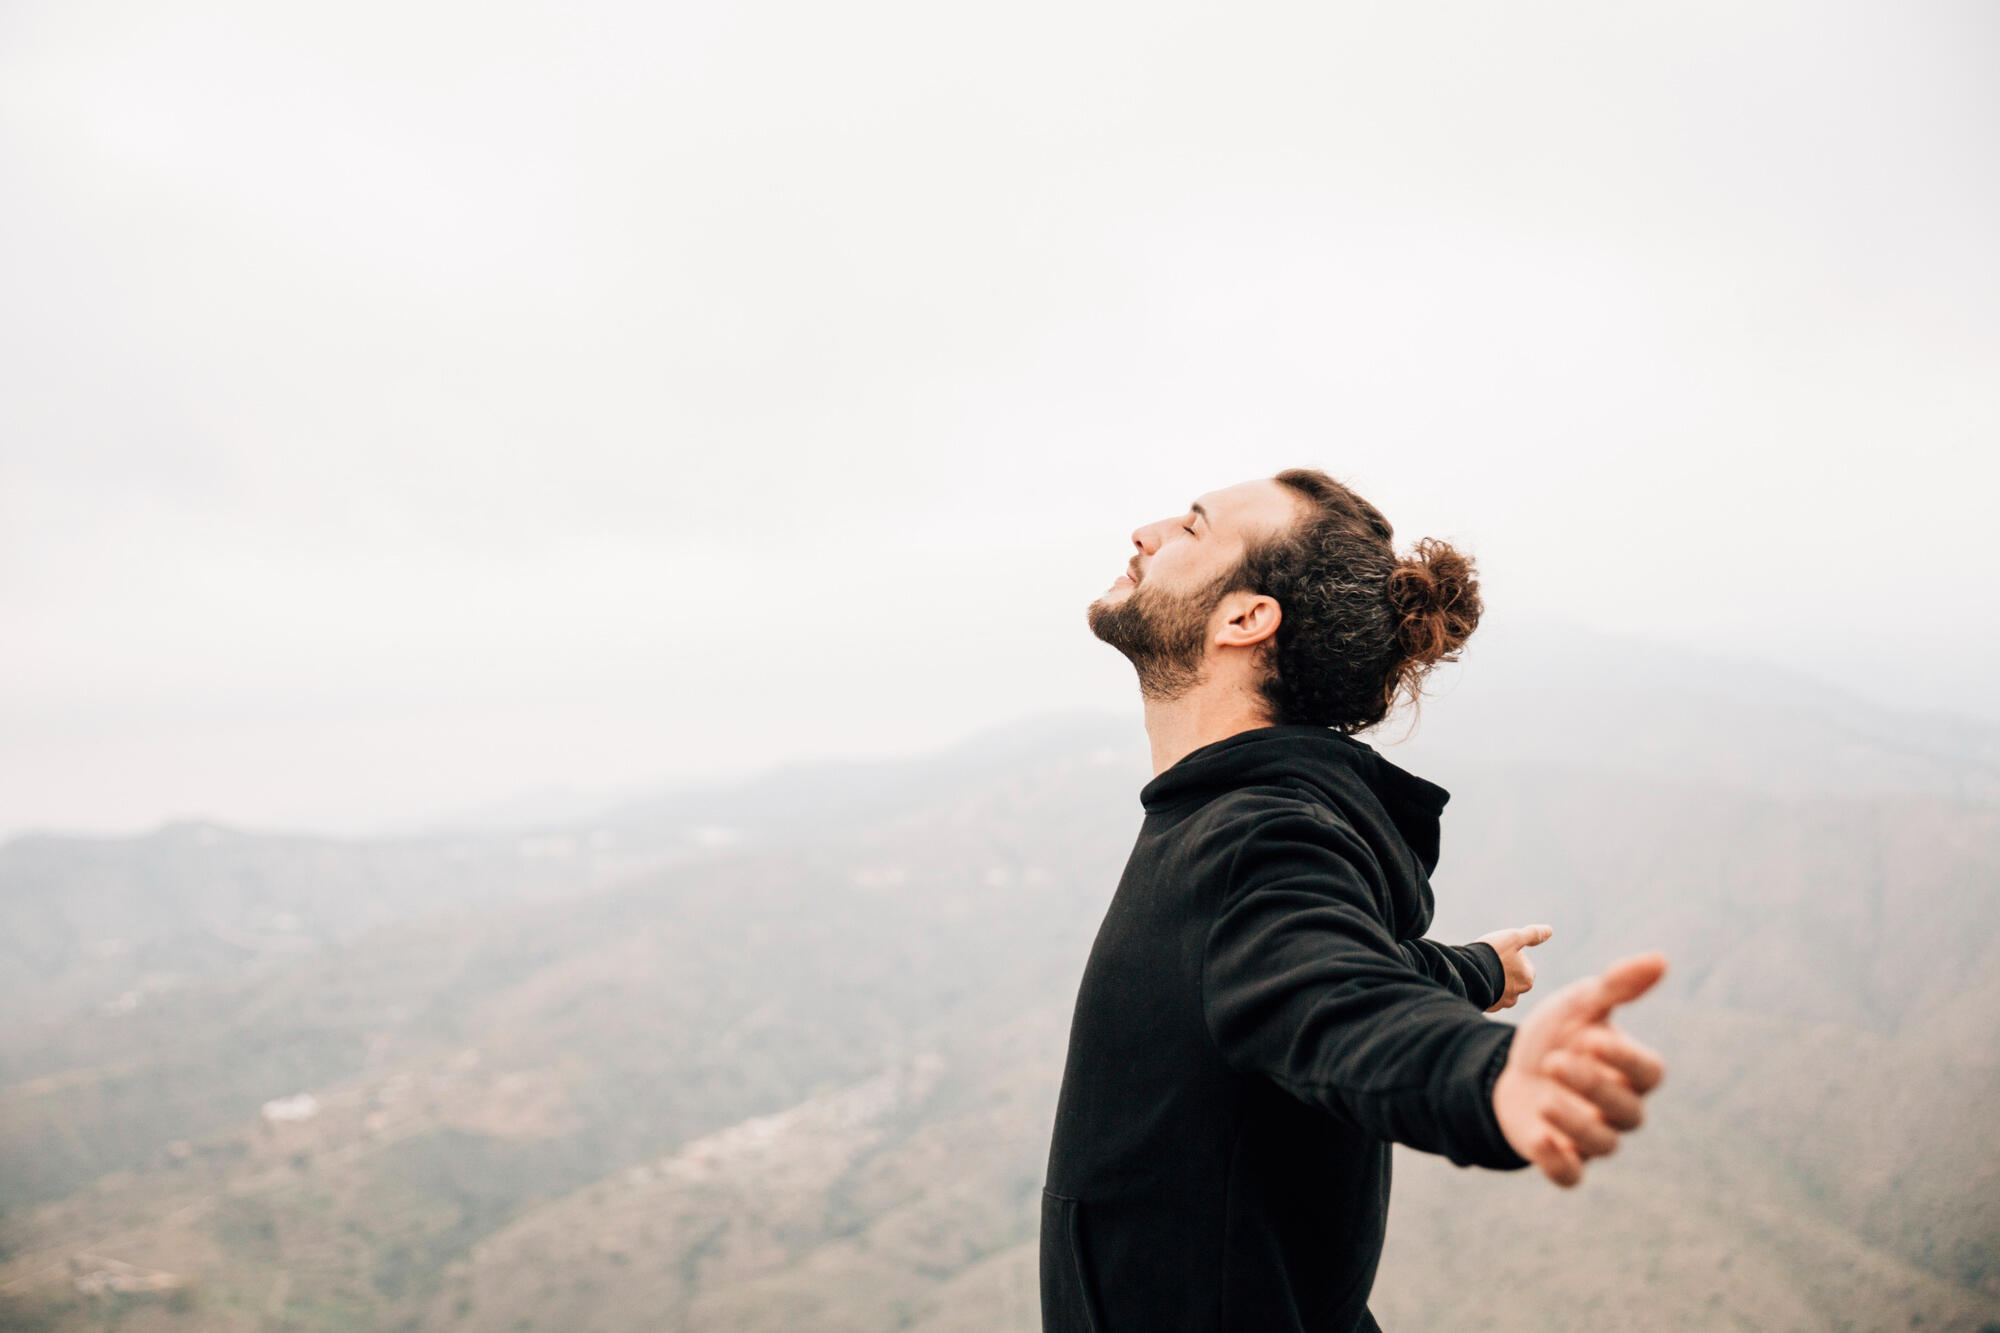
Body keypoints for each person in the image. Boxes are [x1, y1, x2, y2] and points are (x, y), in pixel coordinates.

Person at [1041, 468, 1668, 1333]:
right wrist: (1470, 969)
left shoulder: (1251, 839)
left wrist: (1487, 1075)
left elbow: (1335, 1000)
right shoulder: (1250, 821)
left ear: (1245, 618)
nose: (1146, 531)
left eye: (1191, 526)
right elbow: (1298, 967)